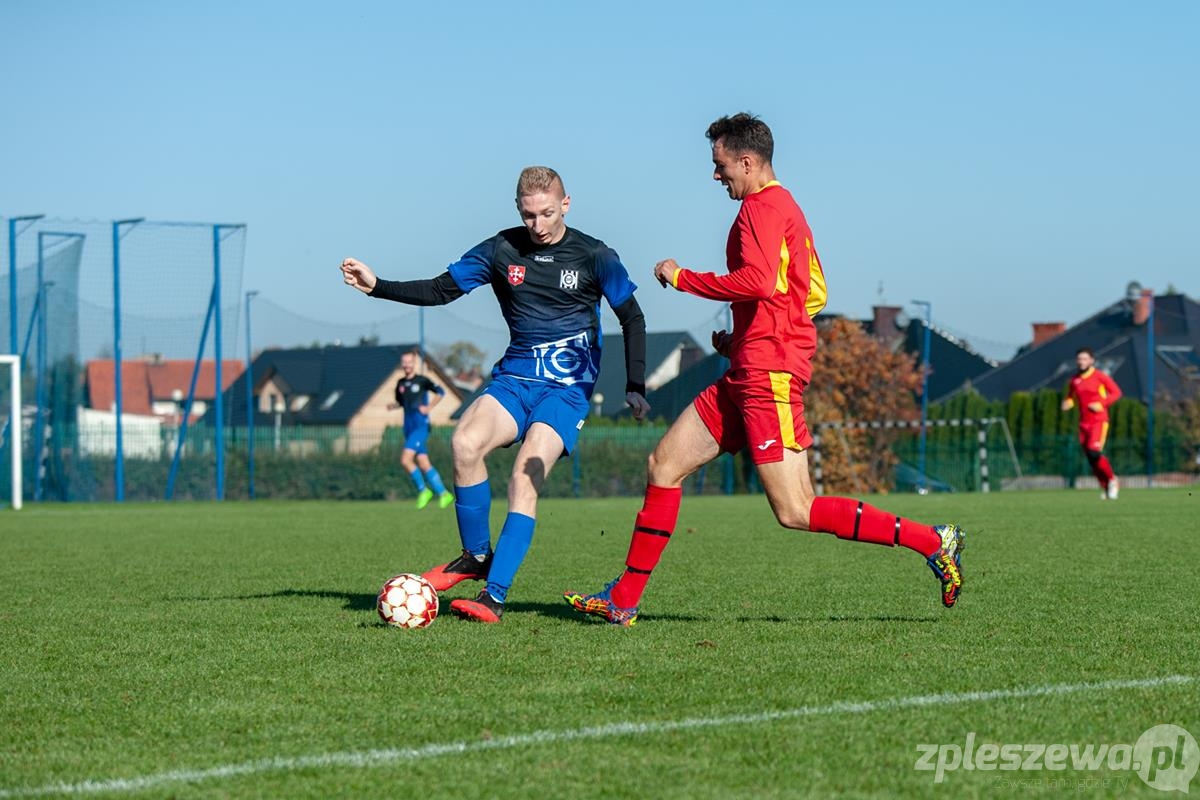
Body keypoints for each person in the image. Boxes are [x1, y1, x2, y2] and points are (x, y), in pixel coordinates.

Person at [564, 113, 965, 626]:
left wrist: (682, 277)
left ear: (748, 161)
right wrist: (744, 338)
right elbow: (812, 291)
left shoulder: (760, 208)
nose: (716, 175)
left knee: (796, 509)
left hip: (767, 376)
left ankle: (934, 541)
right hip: (750, 368)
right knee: (663, 465)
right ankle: (623, 600)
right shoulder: (786, 207)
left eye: (721, 164)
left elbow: (757, 281)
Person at [342, 166, 650, 623]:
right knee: (464, 443)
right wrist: (377, 286)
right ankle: (475, 556)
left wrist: (635, 385)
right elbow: (441, 289)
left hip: (566, 390)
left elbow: (632, 318)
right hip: (515, 379)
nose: (538, 225)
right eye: (529, 215)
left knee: (524, 477)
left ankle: (495, 596)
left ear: (566, 205)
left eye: (547, 213)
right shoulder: (501, 249)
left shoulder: (596, 256)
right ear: (518, 209)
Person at [389, 350, 453, 510]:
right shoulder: (400, 384)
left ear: (414, 363)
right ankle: (444, 494)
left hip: (421, 426)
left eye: (409, 362)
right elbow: (402, 402)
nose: (406, 365)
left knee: (405, 460)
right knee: (423, 463)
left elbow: (441, 392)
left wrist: (429, 407)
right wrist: (393, 406)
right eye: (404, 362)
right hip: (408, 426)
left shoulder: (422, 380)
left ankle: (423, 490)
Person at [1061, 347, 1122, 499]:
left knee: (1094, 452)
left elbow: (1116, 393)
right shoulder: (1075, 380)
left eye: (1084, 359)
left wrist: (1102, 403)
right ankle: (1106, 487)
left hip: (1099, 421)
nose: (1081, 362)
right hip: (1084, 423)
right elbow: (1070, 397)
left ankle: (1112, 480)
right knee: (1091, 458)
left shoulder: (1100, 376)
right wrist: (1068, 403)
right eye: (1079, 359)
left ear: (1091, 361)